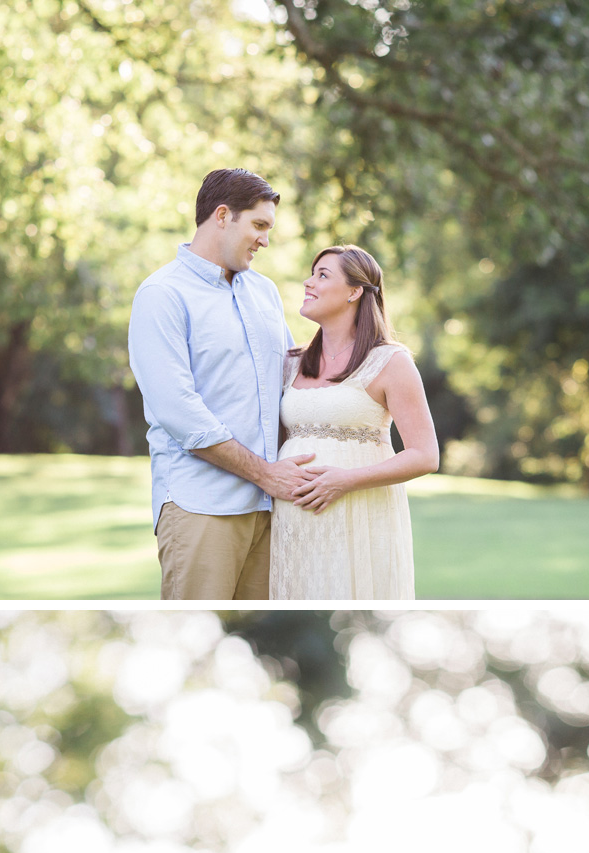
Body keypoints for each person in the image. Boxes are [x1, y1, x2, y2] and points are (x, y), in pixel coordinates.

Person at [127, 166, 315, 601]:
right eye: (260, 225)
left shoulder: (264, 292)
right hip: (201, 508)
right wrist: (267, 475)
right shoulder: (162, 296)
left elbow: (291, 380)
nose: (266, 240)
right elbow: (183, 417)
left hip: (272, 513)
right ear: (224, 215)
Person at [269, 245, 439, 599]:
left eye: (322, 275)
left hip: (361, 515)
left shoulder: (391, 362)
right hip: (293, 521)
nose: (308, 282)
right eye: (311, 273)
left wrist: (344, 481)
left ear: (354, 291)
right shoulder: (291, 362)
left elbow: (425, 455)